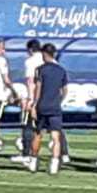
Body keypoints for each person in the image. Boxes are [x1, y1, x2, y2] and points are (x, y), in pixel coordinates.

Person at [27, 43, 68, 175]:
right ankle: (54, 164)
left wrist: (34, 104)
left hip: (42, 106)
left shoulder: (40, 69)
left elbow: (38, 88)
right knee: (56, 136)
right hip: (55, 106)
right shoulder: (61, 70)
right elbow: (65, 90)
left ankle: (33, 162)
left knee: (38, 134)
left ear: (44, 54)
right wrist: (58, 100)